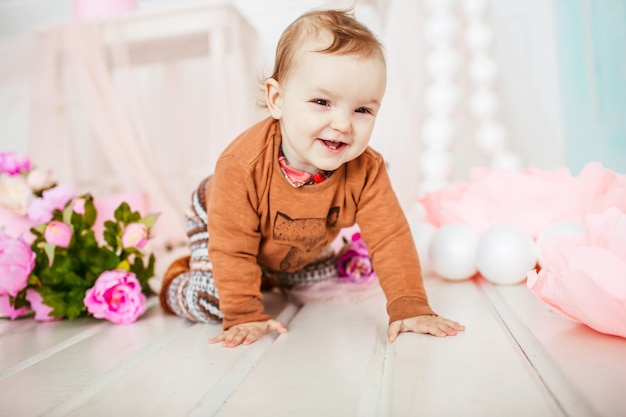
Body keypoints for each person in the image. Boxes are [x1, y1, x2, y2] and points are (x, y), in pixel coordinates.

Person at [159, 8, 464, 348]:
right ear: (278, 100)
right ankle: (176, 281)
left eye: (362, 110)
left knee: (322, 285)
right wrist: (244, 314)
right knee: (216, 299)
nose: (344, 124)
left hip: (290, 241)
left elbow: (389, 236)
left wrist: (409, 305)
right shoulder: (241, 166)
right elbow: (232, 247)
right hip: (218, 220)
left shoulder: (366, 169)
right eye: (322, 102)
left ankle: (269, 275)